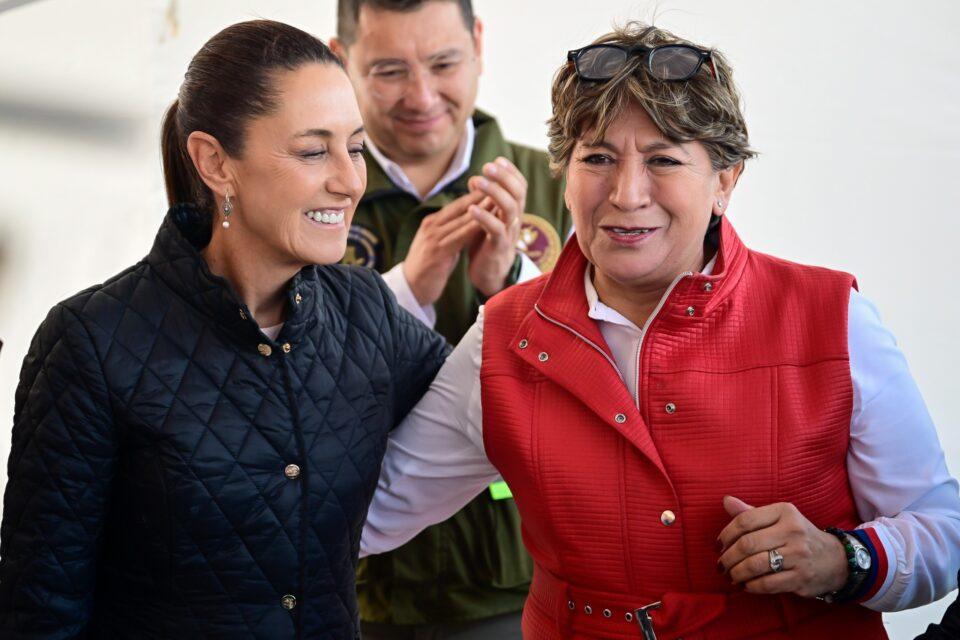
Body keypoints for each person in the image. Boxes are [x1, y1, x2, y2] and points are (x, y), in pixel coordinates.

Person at [360, 22, 960, 639]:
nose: (626, 194)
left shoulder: (832, 317)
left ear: (725, 181)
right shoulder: (504, 336)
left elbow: (943, 531)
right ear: (563, 173)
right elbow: (367, 512)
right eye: (597, 158)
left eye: (664, 160)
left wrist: (842, 559)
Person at [0, 20, 448, 639]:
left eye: (355, 148)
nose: (349, 181)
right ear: (215, 162)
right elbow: (40, 611)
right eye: (313, 151)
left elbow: (492, 412)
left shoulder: (367, 311)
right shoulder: (89, 343)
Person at [330, 1, 570, 636]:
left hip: (517, 585)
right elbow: (273, 380)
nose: (422, 96)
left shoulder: (565, 188)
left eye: (443, 64)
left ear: (479, 44)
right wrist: (405, 289)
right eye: (389, 71)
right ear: (339, 60)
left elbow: (606, 382)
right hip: (351, 585)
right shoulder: (313, 197)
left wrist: (508, 286)